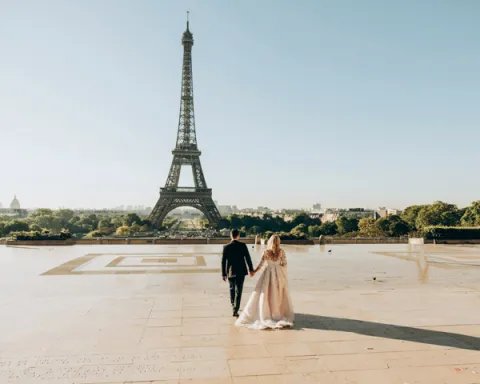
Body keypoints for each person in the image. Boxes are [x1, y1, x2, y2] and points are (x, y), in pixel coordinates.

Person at [235, 234, 294, 329]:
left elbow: (261, 264)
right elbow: (284, 264)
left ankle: (267, 313)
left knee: (266, 293)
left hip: (268, 274)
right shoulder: (282, 252)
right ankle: (277, 312)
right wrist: (280, 270)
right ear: (279, 242)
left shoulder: (266, 252)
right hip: (278, 275)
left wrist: (253, 272)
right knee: (278, 294)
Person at [221, 229, 254, 317]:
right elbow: (248, 258)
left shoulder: (226, 247)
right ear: (238, 235)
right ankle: (236, 309)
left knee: (231, 289)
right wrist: (251, 269)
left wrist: (223, 274)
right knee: (239, 291)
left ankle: (233, 305)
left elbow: (223, 261)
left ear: (230, 236)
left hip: (231, 271)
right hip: (241, 271)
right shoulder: (243, 245)